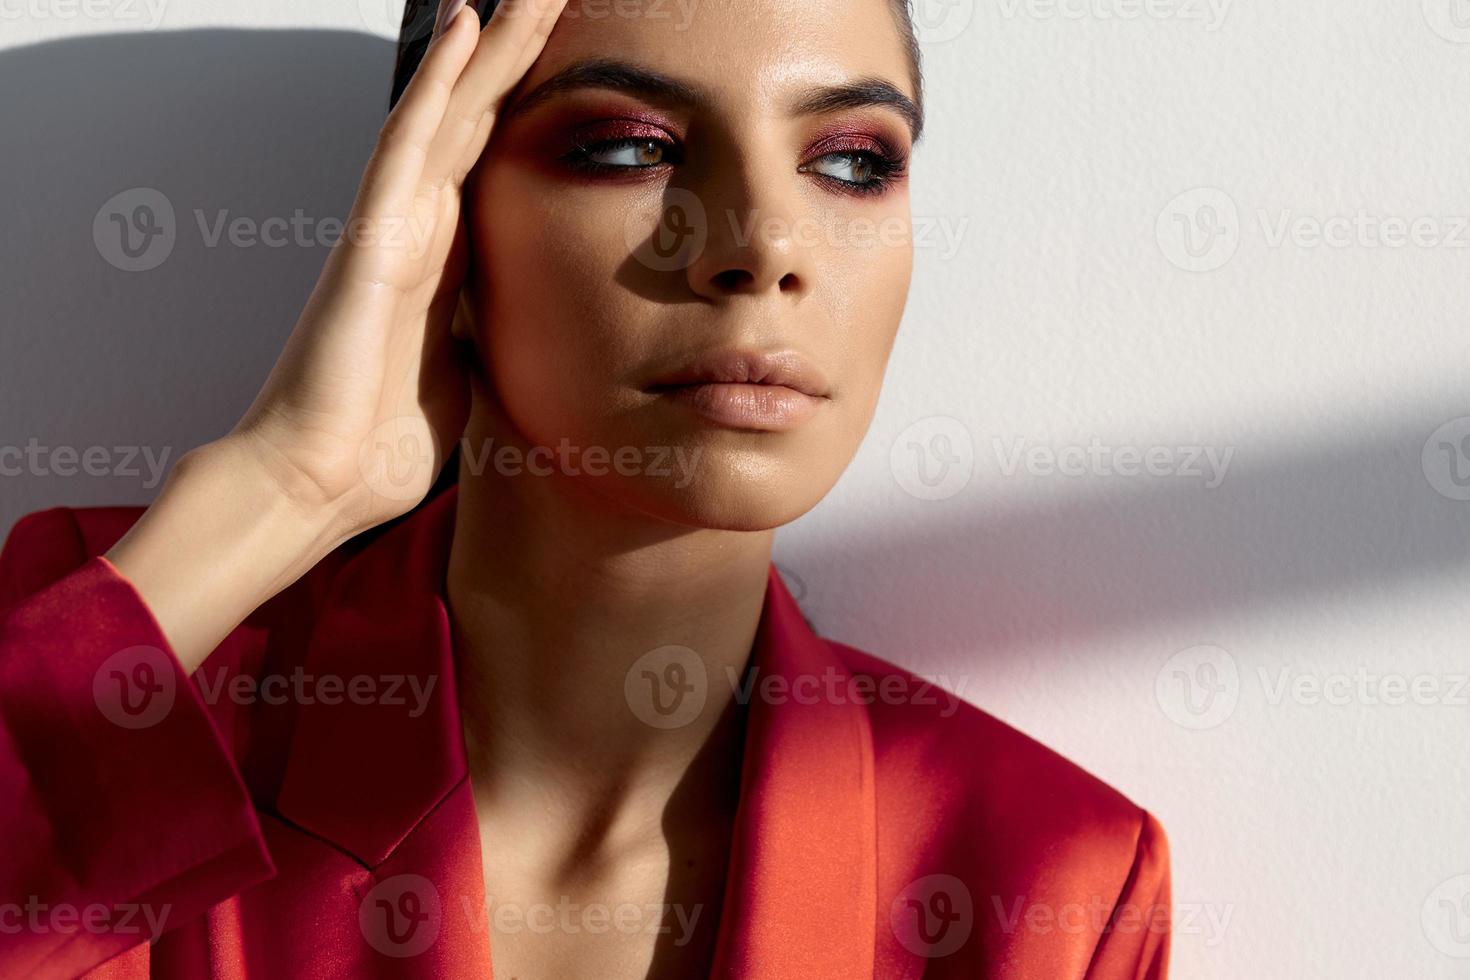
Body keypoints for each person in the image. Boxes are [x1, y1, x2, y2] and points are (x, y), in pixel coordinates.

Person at [0, 0, 1171, 976]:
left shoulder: (1048, 884)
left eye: (853, 161)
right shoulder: (137, 694)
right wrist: (288, 485)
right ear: (441, 226)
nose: (763, 241)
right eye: (631, 147)